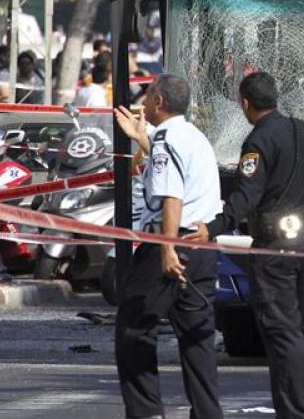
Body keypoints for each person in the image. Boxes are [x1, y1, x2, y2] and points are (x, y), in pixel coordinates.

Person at [194, 72, 304, 419]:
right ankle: (299, 406)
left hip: (275, 247)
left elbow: (246, 197)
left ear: (245, 104)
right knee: (302, 332)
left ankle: (294, 412)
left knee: (282, 333)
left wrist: (215, 228)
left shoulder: (258, 142)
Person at [113, 74, 224, 419]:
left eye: (147, 97)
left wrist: (166, 249)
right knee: (197, 338)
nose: (143, 104)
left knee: (133, 328)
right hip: (201, 249)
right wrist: (141, 139)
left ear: (159, 102)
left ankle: (146, 411)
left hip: (170, 245)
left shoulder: (166, 140)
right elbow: (176, 176)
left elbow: (172, 197)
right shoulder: (193, 136)